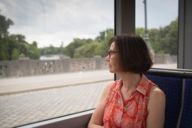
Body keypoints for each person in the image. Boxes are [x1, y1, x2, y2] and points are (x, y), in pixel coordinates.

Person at [88, 34, 166, 128]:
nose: (107, 58)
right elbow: (92, 124)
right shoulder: (110, 88)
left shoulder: (155, 95)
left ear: (128, 55)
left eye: (111, 53)